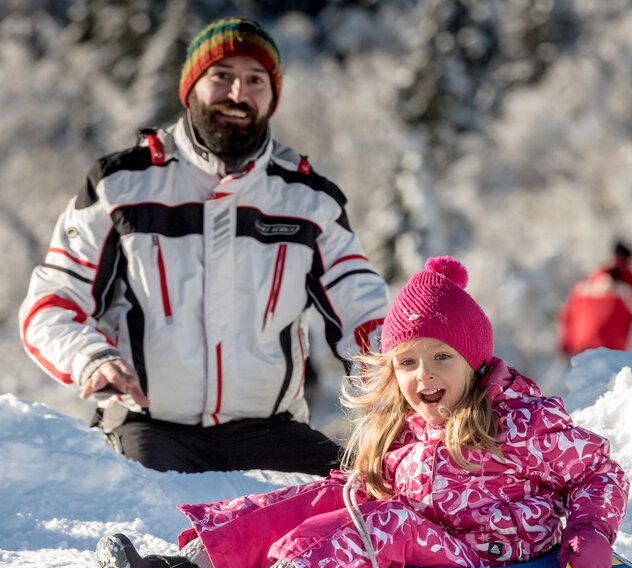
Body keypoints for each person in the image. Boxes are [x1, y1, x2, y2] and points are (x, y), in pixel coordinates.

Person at [95, 255, 630, 568]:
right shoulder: (404, 425)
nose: (425, 375)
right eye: (408, 361)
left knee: (383, 523)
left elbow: (600, 470)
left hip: (485, 557)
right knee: (328, 497)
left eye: (442, 356)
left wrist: (590, 529)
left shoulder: (520, 423)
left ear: (474, 359)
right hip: (423, 535)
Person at [19, 17, 388, 474]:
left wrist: (406, 373)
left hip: (271, 431)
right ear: (190, 87)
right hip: (149, 427)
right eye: (222, 76)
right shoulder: (121, 186)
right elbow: (51, 303)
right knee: (157, 520)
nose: (238, 94)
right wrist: (90, 357)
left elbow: (365, 310)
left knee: (357, 502)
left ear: (272, 98)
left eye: (255, 80)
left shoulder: (309, 200)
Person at [558, 240, 632, 357]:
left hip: (579, 348)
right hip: (610, 350)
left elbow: (567, 316)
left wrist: (564, 346)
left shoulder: (587, 282)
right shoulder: (629, 281)